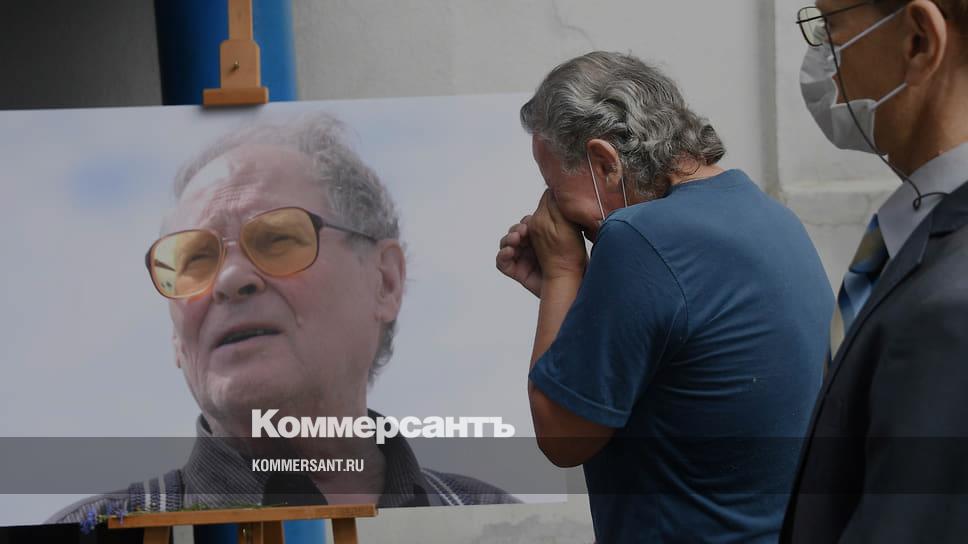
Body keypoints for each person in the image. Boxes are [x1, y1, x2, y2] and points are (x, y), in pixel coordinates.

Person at [51, 114, 516, 523]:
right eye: (194, 260)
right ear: (176, 337)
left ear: (385, 281)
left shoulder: (499, 524)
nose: (229, 279)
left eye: (277, 240)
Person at [496, 51, 833, 543]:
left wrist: (564, 272)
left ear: (605, 163)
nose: (552, 212)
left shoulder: (639, 236)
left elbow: (561, 436)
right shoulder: (769, 215)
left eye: (554, 190)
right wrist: (573, 296)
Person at [783, 1, 968, 541]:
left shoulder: (950, 309)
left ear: (918, 42)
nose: (822, 58)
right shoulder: (919, 237)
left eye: (830, 26)